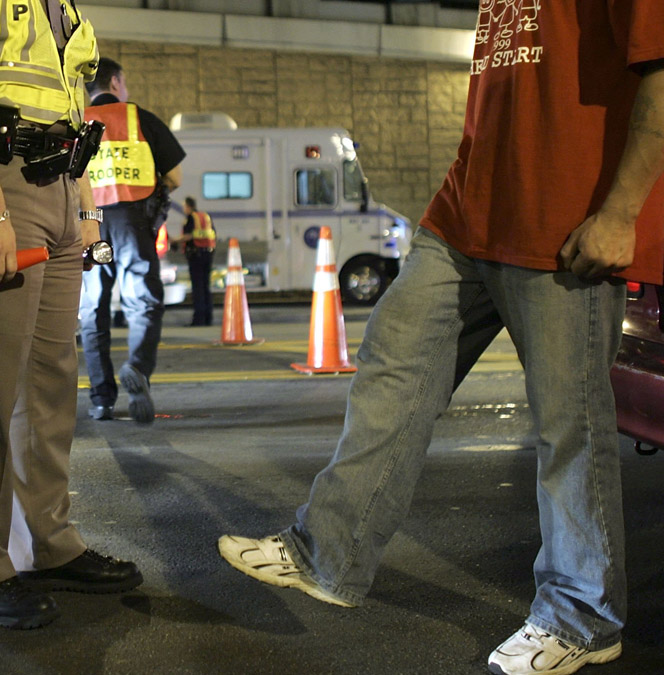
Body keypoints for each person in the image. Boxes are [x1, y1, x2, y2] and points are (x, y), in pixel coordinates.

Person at [218, 3, 664, 675]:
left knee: (570, 428)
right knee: (392, 361)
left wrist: (621, 213)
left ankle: (583, 616)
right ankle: (328, 553)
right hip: (468, 213)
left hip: (565, 222)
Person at [0, 0, 143, 630]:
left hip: (60, 189)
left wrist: (86, 207)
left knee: (48, 384)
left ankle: (46, 544)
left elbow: (70, 109)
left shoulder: (61, 7)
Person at [80, 57, 184, 424]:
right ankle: (137, 369)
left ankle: (101, 400)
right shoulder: (141, 118)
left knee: (93, 311)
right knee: (143, 301)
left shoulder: (76, 122)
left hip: (88, 226)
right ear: (117, 81)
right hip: (133, 223)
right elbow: (175, 177)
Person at [176, 196, 215, 326]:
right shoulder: (205, 216)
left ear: (188, 206)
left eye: (184, 206)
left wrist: (174, 241)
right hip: (208, 253)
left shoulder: (191, 218)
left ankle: (198, 320)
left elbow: (188, 236)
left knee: (197, 287)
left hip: (196, 254)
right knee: (205, 286)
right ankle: (208, 318)